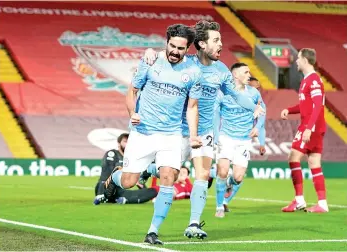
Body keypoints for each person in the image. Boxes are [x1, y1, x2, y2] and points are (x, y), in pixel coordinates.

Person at [143, 20, 264, 239]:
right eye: (216, 40)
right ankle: (153, 222)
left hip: (205, 131)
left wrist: (254, 107)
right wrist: (151, 52)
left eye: (221, 40)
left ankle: (194, 224)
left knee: (203, 174)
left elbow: (235, 95)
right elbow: (163, 57)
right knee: (168, 174)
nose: (220, 45)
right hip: (179, 131)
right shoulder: (185, 63)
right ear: (201, 44)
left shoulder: (221, 70)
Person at [100, 24, 203, 245]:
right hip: (143, 132)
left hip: (172, 134)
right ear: (166, 43)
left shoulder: (193, 72)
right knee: (128, 182)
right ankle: (116, 175)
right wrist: (132, 112)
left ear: (188, 49)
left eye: (181, 48)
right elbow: (132, 90)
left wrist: (193, 135)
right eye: (172, 46)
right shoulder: (150, 61)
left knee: (168, 177)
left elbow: (192, 107)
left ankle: (153, 231)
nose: (175, 51)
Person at [214, 62, 266, 218]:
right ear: (235, 75)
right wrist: (216, 136)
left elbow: (262, 111)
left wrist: (258, 127)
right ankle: (219, 206)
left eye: (249, 72)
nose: (249, 75)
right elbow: (215, 114)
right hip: (226, 137)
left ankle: (230, 182)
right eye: (246, 72)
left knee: (238, 177)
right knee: (222, 171)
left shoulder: (254, 93)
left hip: (244, 140)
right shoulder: (222, 93)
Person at [280, 48, 328, 213]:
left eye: (298, 58)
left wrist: (308, 129)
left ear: (306, 60)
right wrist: (290, 109)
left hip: (311, 126)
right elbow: (305, 105)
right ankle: (322, 203)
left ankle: (299, 200)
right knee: (314, 162)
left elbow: (317, 107)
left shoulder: (313, 80)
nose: (296, 61)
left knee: (293, 157)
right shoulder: (307, 80)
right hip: (315, 126)